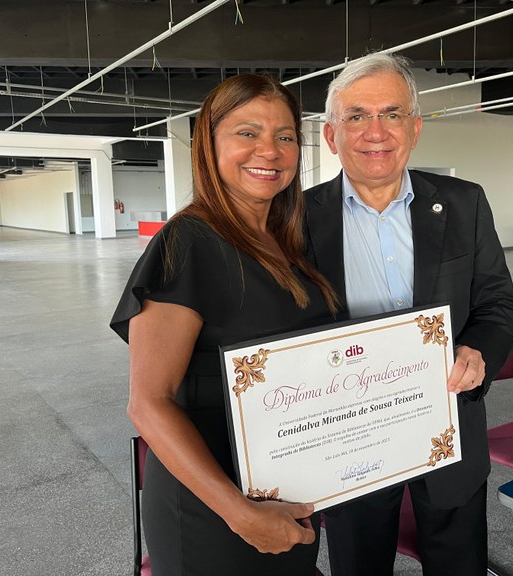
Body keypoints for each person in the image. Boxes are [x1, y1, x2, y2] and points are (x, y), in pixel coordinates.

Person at [110, 74, 338, 576]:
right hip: (213, 504)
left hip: (286, 481)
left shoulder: (288, 241)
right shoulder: (188, 242)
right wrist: (240, 514)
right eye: (247, 133)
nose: (270, 151)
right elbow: (148, 403)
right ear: (208, 144)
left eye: (284, 136)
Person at [305, 52, 513, 576]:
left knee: (458, 564)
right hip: (348, 441)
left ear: (415, 128)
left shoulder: (465, 203)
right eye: (357, 115)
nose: (375, 131)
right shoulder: (294, 218)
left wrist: (478, 352)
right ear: (332, 135)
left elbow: (499, 303)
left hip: (447, 426)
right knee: (360, 564)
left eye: (392, 114)